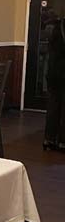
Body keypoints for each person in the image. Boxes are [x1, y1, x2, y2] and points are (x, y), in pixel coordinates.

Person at [44, 17, 65, 151]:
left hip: (53, 72)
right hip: (63, 71)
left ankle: (49, 139)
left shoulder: (55, 27)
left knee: (53, 106)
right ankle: (63, 141)